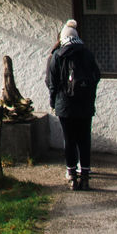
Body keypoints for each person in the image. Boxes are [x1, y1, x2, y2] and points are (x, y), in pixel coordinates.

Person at [45, 19, 100, 190]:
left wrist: (53, 102)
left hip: (65, 105)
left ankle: (71, 175)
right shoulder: (87, 53)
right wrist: (89, 95)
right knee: (84, 139)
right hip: (85, 104)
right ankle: (85, 175)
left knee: (69, 140)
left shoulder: (57, 55)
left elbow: (51, 82)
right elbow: (96, 75)